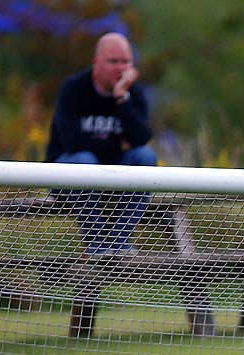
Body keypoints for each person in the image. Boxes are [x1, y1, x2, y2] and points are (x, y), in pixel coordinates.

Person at [46, 33, 158, 255]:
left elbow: (141, 138)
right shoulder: (73, 89)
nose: (120, 68)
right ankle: (97, 244)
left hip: (111, 176)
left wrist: (120, 98)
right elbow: (73, 143)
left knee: (145, 157)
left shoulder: (132, 93)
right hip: (68, 173)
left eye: (125, 62)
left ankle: (120, 243)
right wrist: (117, 147)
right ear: (97, 62)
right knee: (86, 160)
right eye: (113, 61)